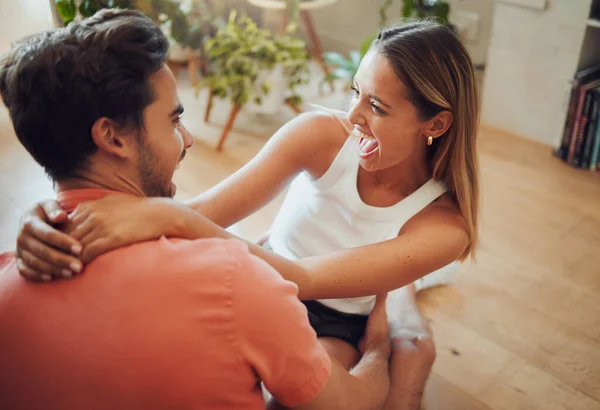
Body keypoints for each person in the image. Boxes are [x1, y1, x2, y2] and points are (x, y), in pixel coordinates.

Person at [17, 17, 479, 407]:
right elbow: (205, 211)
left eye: (376, 106)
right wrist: (53, 218)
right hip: (271, 262)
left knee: (315, 391)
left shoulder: (445, 227)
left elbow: (308, 279)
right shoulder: (320, 134)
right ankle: (401, 298)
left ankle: (403, 305)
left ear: (435, 124)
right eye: (355, 91)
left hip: (335, 311)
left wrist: (377, 346)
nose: (353, 114)